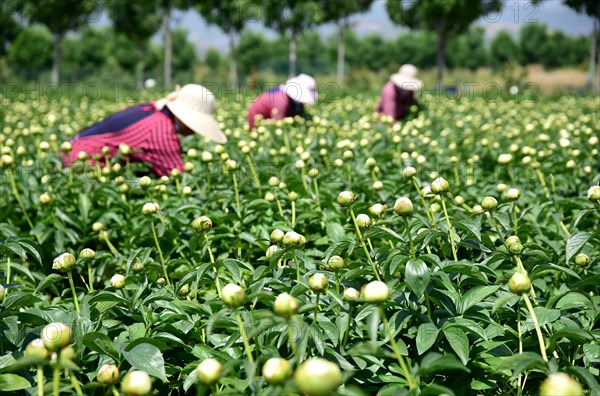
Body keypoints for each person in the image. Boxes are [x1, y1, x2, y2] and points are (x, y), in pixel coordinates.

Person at [65, 84, 226, 176]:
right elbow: (177, 175)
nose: (195, 131)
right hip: (83, 165)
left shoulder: (154, 109)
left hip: (73, 149)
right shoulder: (161, 130)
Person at [248, 73, 318, 130]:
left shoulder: (295, 101)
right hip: (258, 118)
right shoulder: (281, 100)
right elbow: (278, 123)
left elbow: (299, 115)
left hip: (269, 119)